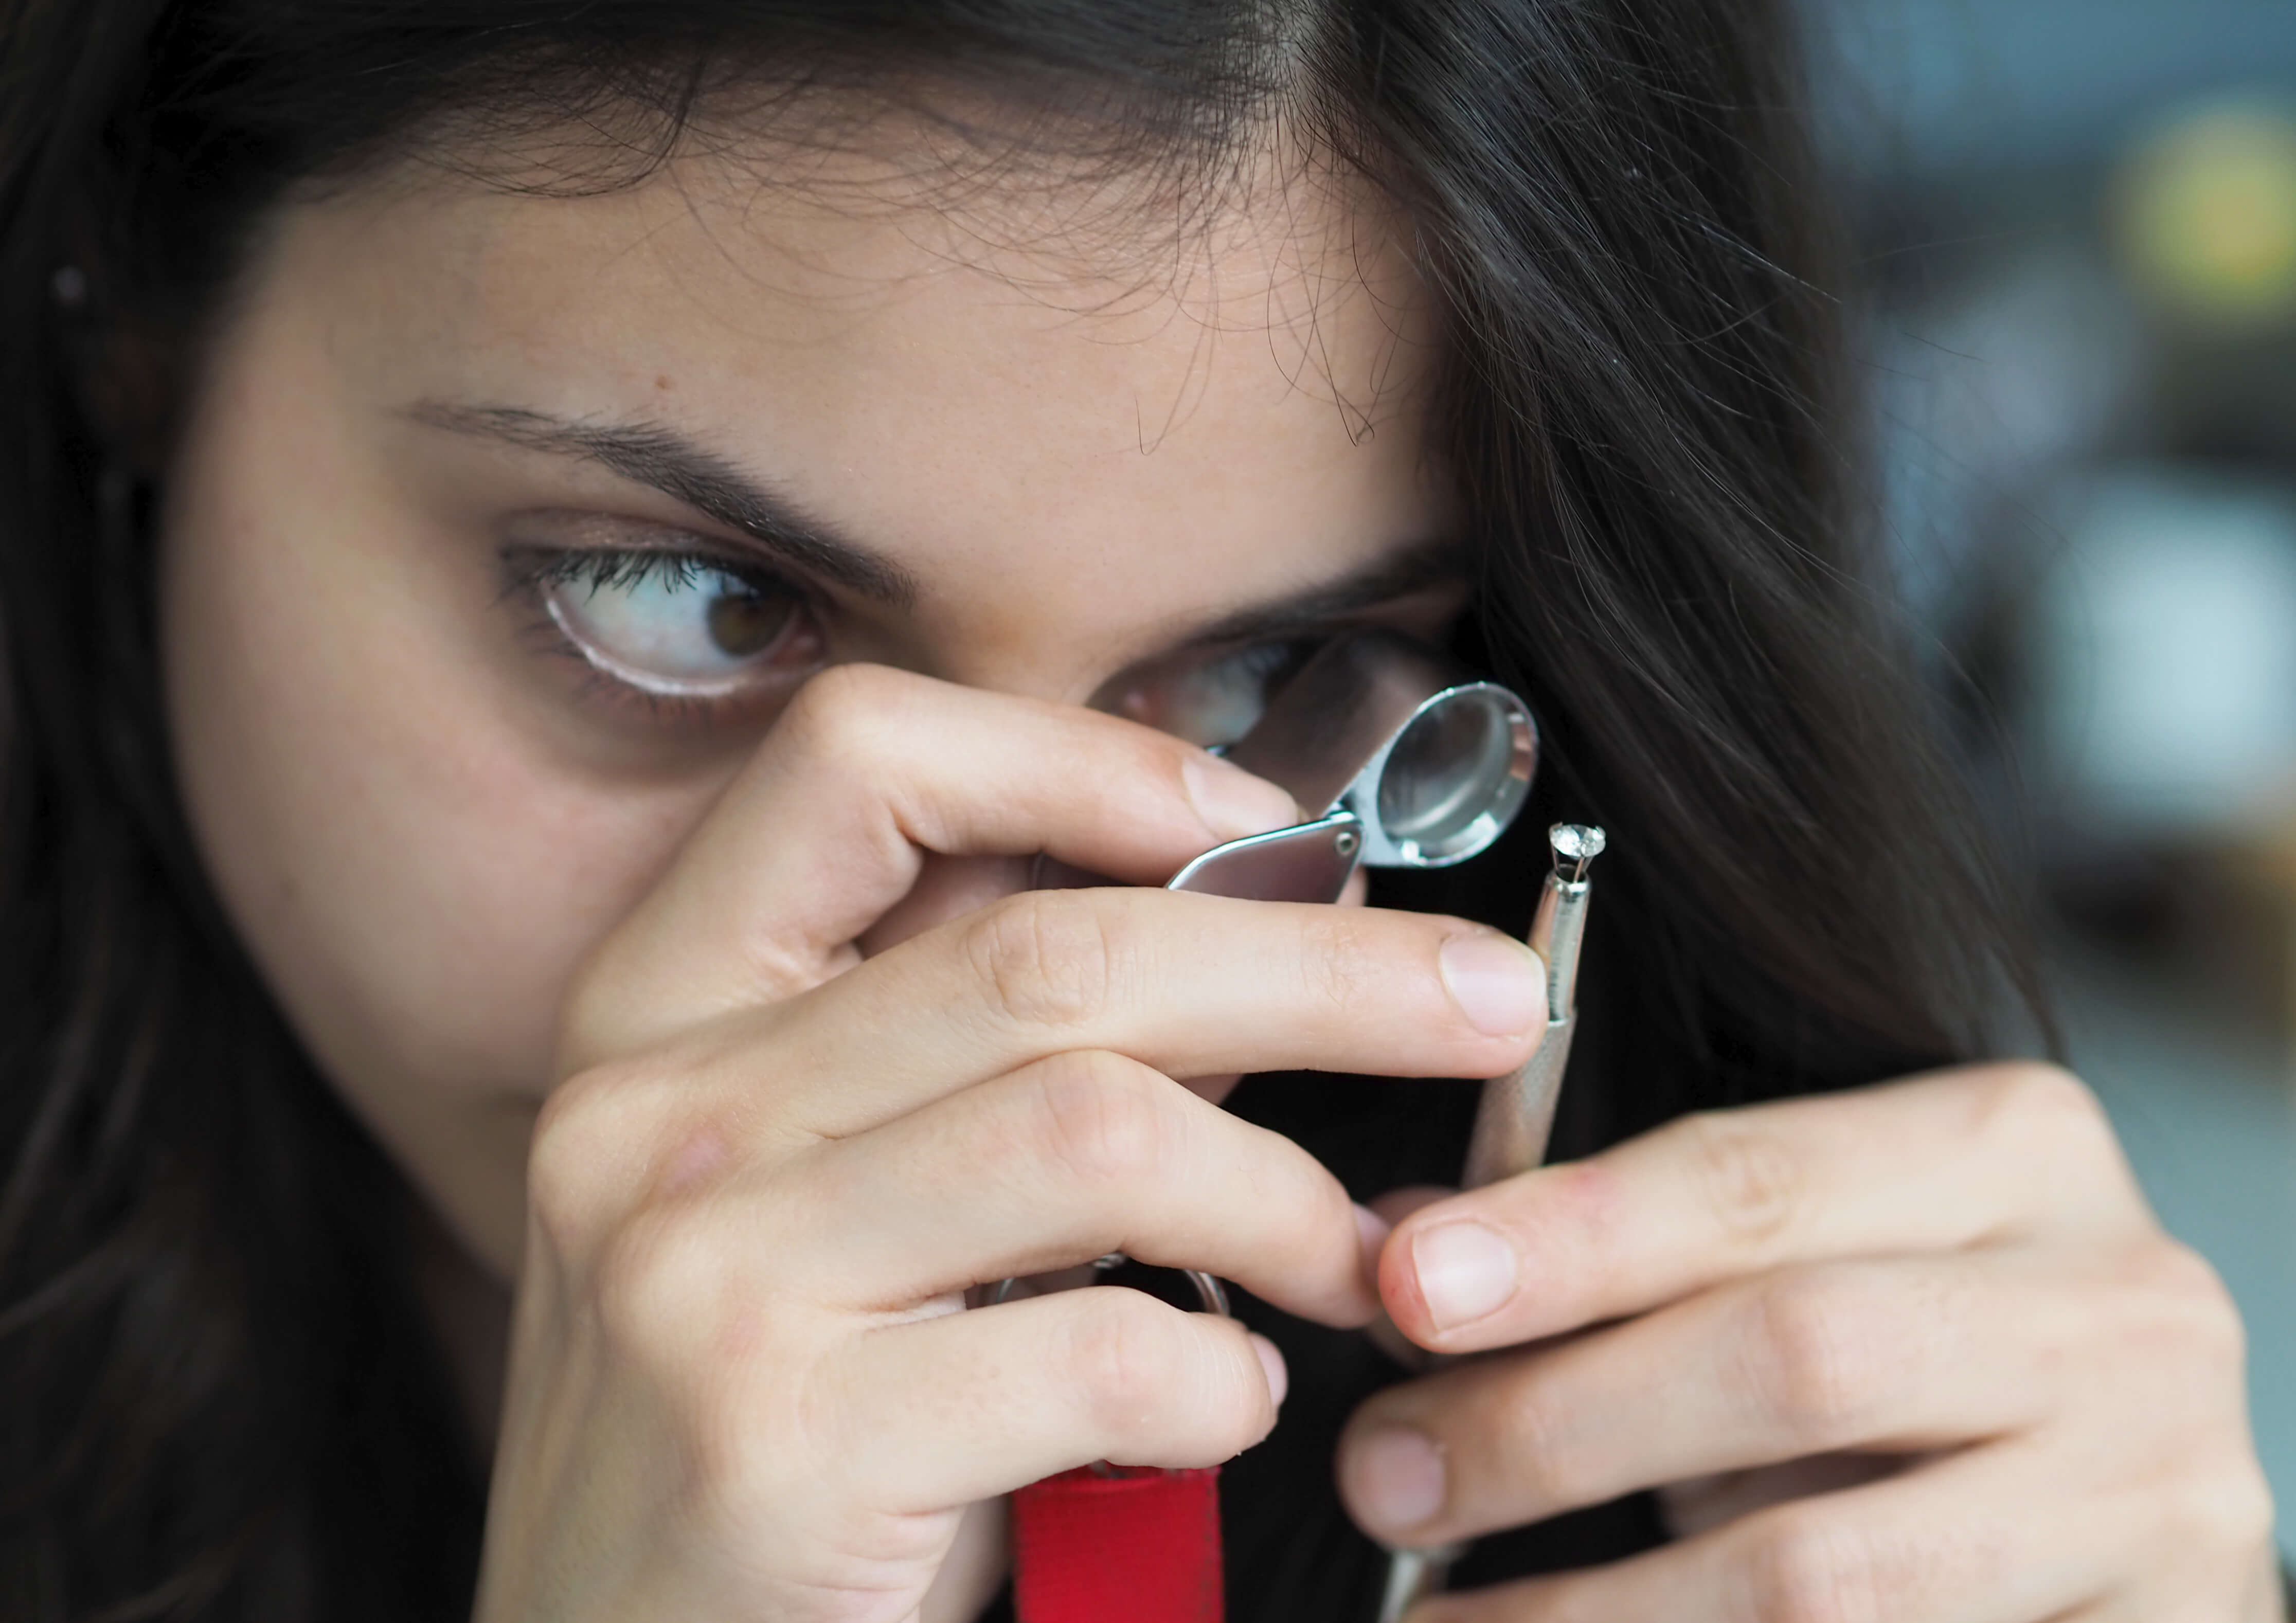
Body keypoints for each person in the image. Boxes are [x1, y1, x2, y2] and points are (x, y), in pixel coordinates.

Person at [0, 0, 2281, 1618]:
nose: (1030, 1031)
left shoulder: (1733, 1487)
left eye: (1279, 678)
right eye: (686, 603)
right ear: (132, 312)